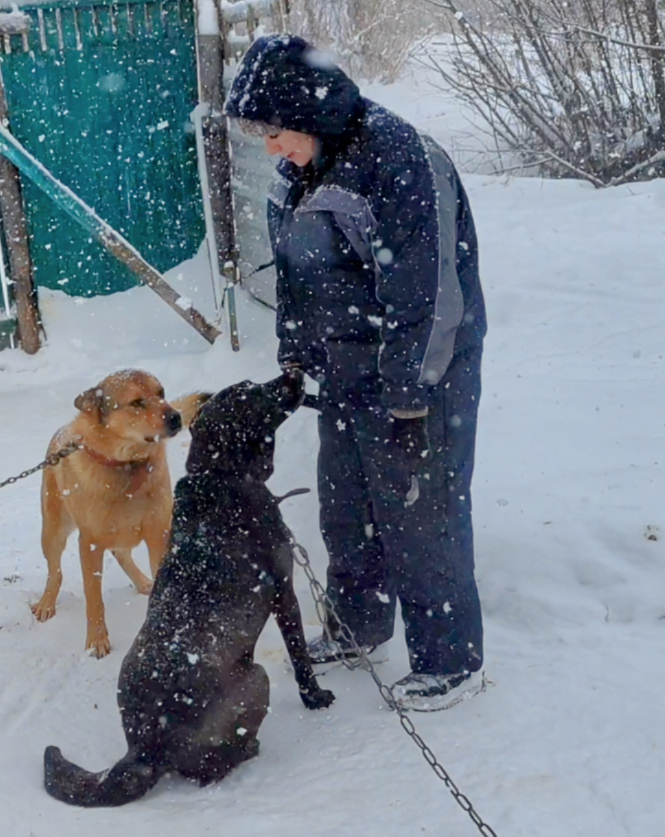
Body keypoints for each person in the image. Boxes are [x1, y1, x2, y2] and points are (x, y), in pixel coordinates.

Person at [224, 35, 488, 711]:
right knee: (345, 504)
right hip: (346, 365)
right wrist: (295, 348)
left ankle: (449, 659)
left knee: (418, 512)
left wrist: (408, 396)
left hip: (420, 369)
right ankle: (357, 623)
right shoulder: (297, 173)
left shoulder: (399, 160)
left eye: (274, 131)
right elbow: (296, 271)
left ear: (309, 114)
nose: (269, 148)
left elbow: (431, 296)